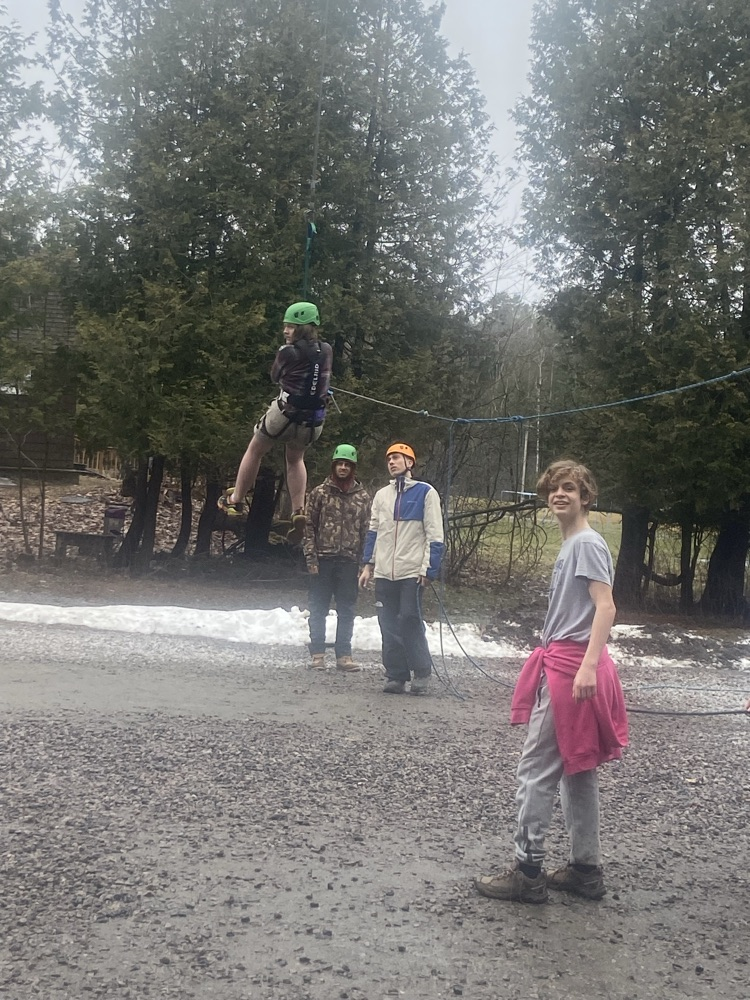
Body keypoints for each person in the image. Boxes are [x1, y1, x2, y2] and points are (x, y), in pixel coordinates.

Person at [474, 460, 629, 904]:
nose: (559, 495)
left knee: (535, 770)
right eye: (553, 490)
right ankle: (585, 869)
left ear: (585, 497)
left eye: (569, 489)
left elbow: (606, 608)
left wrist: (586, 666)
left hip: (571, 669)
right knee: (577, 771)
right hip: (567, 663)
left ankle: (527, 871)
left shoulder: (586, 543)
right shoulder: (573, 544)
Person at [219, 302, 332, 543]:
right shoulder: (327, 350)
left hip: (285, 414)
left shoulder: (287, 352)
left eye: (290, 327)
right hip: (312, 422)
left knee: (256, 450)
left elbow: (275, 376)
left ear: (302, 329)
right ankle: (298, 510)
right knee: (295, 459)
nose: (285, 331)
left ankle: (236, 500)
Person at [358, 442, 444, 695]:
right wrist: (368, 565)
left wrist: (429, 568)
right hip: (385, 572)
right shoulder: (382, 495)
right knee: (387, 623)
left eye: (397, 458)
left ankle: (422, 671)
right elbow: (373, 531)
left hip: (411, 572)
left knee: (409, 620)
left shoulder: (426, 493)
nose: (392, 462)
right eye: (389, 459)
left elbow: (435, 534)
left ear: (410, 463)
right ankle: (396, 675)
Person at [303, 444, 371, 672]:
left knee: (347, 610)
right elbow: (308, 528)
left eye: (347, 464)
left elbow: (367, 532)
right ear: (334, 466)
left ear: (353, 468)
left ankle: (344, 655)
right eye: (339, 464)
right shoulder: (319, 493)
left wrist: (365, 564)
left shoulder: (362, 497)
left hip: (350, 562)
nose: (343, 468)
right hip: (323, 560)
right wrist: (311, 559)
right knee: (318, 608)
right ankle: (318, 654)